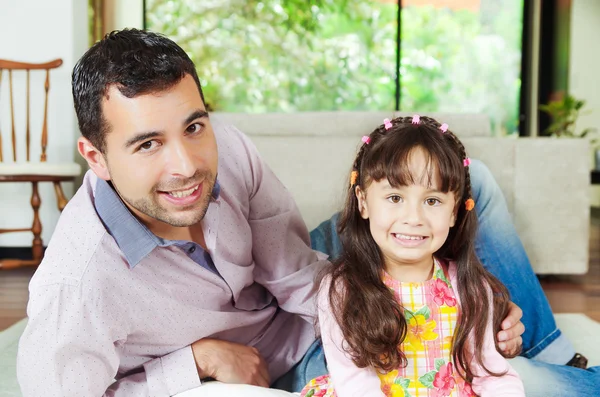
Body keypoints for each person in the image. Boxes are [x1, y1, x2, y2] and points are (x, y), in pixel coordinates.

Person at [12, 28, 580, 396]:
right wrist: (195, 361)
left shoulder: (226, 150)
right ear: (96, 157)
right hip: (288, 356)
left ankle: (544, 345)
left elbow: (296, 274)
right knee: (528, 388)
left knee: (460, 177)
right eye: (147, 144)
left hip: (309, 302)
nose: (187, 164)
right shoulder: (77, 286)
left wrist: (450, 304)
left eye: (193, 126)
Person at [299, 115, 525, 396]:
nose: (414, 218)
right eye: (395, 198)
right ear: (363, 201)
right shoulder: (341, 290)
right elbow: (357, 385)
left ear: (454, 212)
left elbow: (493, 376)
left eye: (432, 201)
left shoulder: (471, 288)